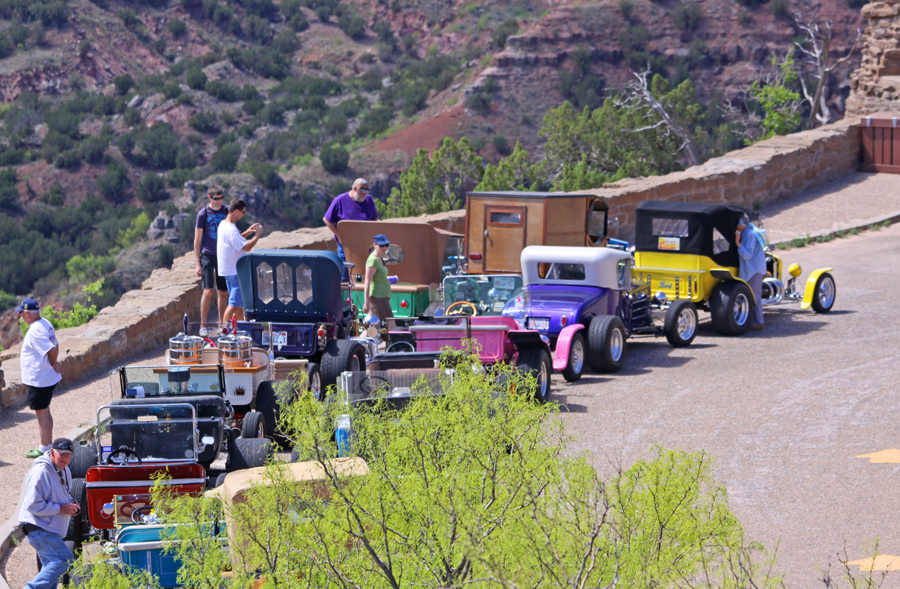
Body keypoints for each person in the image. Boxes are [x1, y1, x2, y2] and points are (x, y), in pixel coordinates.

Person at [19, 437, 80, 589]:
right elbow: (32, 504)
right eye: (62, 454)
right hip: (38, 529)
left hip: (49, 530)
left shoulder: (64, 470)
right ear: (52, 452)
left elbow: (61, 495)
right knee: (63, 560)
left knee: (51, 575)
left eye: (68, 455)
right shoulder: (40, 471)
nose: (65, 458)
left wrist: (72, 505)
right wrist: (61, 509)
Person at [18, 298, 62, 459]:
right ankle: (46, 445)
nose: (21, 316)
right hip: (46, 377)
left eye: (21, 313)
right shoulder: (45, 323)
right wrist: (54, 363)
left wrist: (53, 363)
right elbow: (56, 345)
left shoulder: (36, 330)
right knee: (45, 411)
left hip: (40, 379)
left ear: (27, 313)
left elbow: (51, 349)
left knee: (42, 413)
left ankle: (44, 448)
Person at [217, 198, 263, 324]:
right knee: (233, 304)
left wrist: (248, 232)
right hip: (235, 271)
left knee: (239, 304)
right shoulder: (231, 229)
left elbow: (235, 240)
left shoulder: (223, 225)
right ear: (236, 211)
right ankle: (223, 330)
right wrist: (257, 236)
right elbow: (247, 247)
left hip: (228, 270)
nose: (243, 214)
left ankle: (240, 329)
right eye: (243, 212)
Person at [323, 178, 378, 282]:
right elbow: (327, 220)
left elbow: (374, 219)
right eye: (362, 193)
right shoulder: (339, 201)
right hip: (346, 246)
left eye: (366, 193)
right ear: (354, 188)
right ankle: (344, 297)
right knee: (345, 275)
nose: (364, 196)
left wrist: (371, 235)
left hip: (364, 245)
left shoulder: (369, 200)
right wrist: (339, 236)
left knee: (364, 275)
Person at [194, 185, 229, 335]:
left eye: (221, 198)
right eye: (216, 199)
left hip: (223, 255)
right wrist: (197, 263)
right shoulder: (203, 214)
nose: (219, 201)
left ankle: (221, 324)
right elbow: (197, 239)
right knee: (208, 291)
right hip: (208, 254)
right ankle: (203, 325)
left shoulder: (226, 211)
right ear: (210, 197)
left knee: (222, 292)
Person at [735, 214, 767, 330]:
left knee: (755, 296)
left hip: (755, 269)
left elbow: (748, 255)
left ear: (741, 224)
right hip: (752, 268)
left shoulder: (750, 234)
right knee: (753, 295)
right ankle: (753, 321)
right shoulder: (748, 232)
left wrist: (738, 243)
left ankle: (759, 322)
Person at [363, 234, 394, 326]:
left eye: (386, 245)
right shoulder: (373, 260)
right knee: (391, 326)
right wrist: (366, 302)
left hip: (382, 297)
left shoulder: (379, 258)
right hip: (378, 298)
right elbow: (367, 281)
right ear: (374, 245)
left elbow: (379, 277)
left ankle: (358, 340)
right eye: (381, 245)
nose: (384, 248)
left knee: (373, 328)